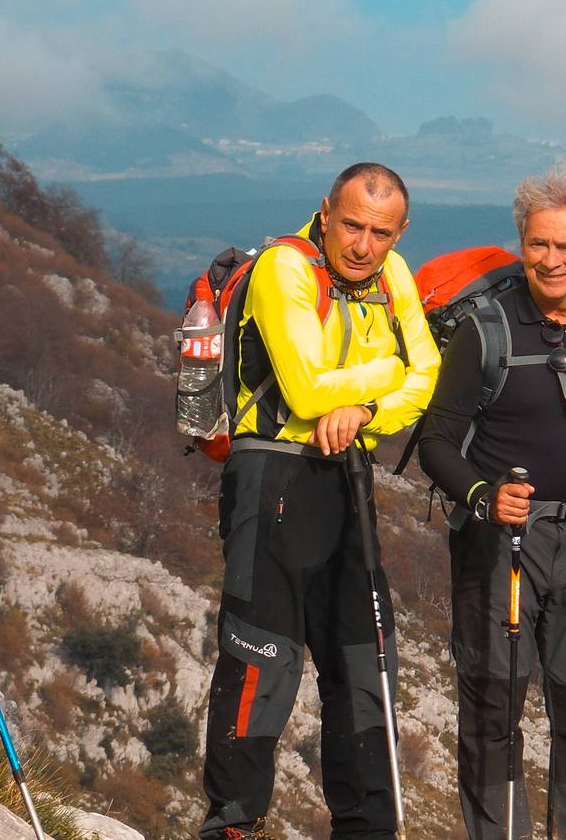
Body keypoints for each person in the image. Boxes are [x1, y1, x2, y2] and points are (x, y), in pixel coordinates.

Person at [418, 168, 566, 839]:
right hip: (499, 547)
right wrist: (481, 496)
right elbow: (438, 439)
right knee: (493, 714)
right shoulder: (484, 330)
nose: (551, 260)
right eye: (538, 244)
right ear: (521, 241)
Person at [199, 163, 441, 839]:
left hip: (345, 474)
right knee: (262, 662)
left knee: (363, 661)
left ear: (401, 232)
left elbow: (432, 380)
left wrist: (365, 409)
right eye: (353, 225)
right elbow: (308, 394)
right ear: (326, 211)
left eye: (381, 233)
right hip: (271, 475)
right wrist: (388, 376)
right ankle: (233, 825)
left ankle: (366, 825)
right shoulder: (285, 270)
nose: (363, 246)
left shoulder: (393, 277)